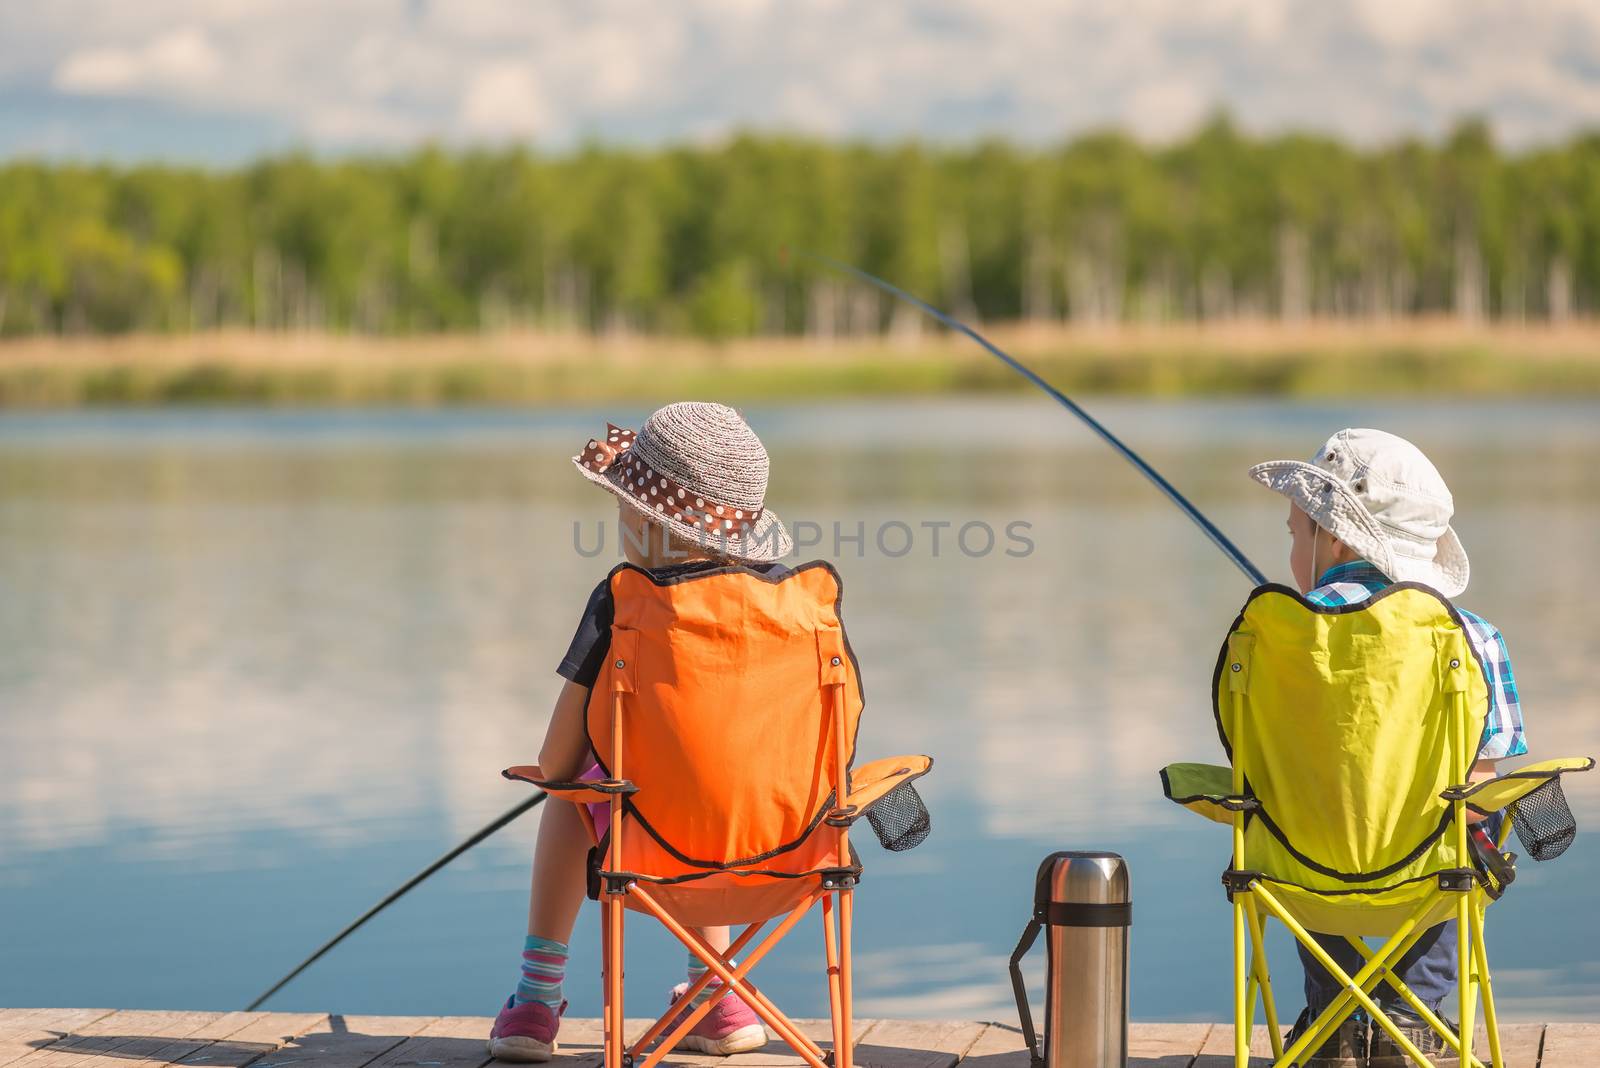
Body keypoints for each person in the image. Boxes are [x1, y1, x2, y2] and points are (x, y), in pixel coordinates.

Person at [489, 402, 793, 1062]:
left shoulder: (624, 603)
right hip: (783, 839)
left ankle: (535, 1004)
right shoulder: (795, 604)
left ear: (643, 517)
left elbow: (556, 757)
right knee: (710, 784)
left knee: (570, 794)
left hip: (649, 842)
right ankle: (721, 993)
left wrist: (562, 772)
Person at [1247, 428, 1525, 1068]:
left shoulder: (1270, 637)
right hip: (1427, 880)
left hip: (1298, 877)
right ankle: (1414, 1013)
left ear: (1333, 537)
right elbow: (1481, 783)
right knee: (1469, 817)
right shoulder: (1472, 638)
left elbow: (1252, 761)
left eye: (1295, 533)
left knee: (1291, 808)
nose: (1291, 546)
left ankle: (1334, 1017)